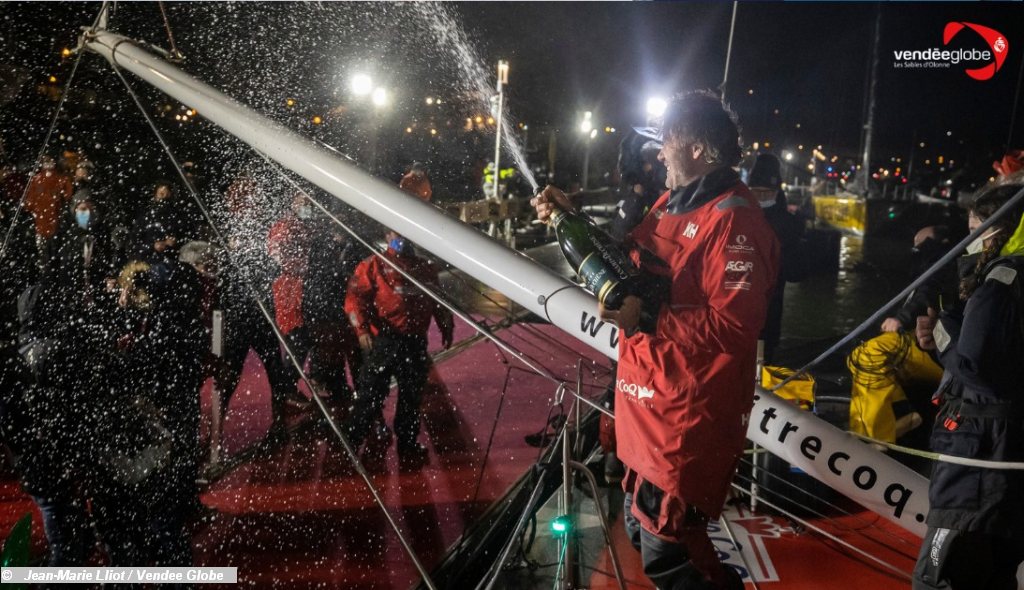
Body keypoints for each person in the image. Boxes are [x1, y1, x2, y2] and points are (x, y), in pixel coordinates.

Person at [533, 90, 779, 590]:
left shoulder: (735, 222)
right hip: (646, 408)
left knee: (671, 555)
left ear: (696, 148)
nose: (659, 153)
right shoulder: (670, 202)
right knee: (643, 531)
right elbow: (627, 261)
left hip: (684, 421)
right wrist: (569, 217)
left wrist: (647, 315)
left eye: (666, 142)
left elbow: (735, 328)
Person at [912, 183, 1024, 590]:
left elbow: (977, 368)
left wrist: (943, 330)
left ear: (995, 230)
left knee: (939, 576)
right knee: (994, 573)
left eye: (975, 226)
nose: (969, 238)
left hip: (979, 455)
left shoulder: (1001, 282)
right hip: (1007, 449)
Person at [344, 230, 454, 467]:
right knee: (371, 394)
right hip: (384, 341)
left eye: (405, 233)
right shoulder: (374, 265)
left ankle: (407, 441)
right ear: (387, 234)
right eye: (396, 234)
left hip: (414, 341)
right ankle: (352, 440)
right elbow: (354, 300)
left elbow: (437, 299)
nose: (401, 238)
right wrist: (361, 330)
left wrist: (446, 325)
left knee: (411, 396)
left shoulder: (424, 267)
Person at [746, 153, 809, 363]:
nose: (761, 197)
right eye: (756, 192)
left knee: (761, 367)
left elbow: (796, 273)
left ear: (776, 191)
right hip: (733, 315)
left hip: (767, 317)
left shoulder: (788, 225)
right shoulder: (735, 216)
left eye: (767, 192)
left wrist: (787, 246)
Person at [23, 155, 72, 267]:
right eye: (46, 161)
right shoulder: (36, 179)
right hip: (39, 222)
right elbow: (29, 201)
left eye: (50, 161)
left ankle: (51, 266)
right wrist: (29, 206)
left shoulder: (61, 179)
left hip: (55, 221)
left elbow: (68, 195)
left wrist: (60, 197)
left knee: (54, 250)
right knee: (43, 251)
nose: (48, 164)